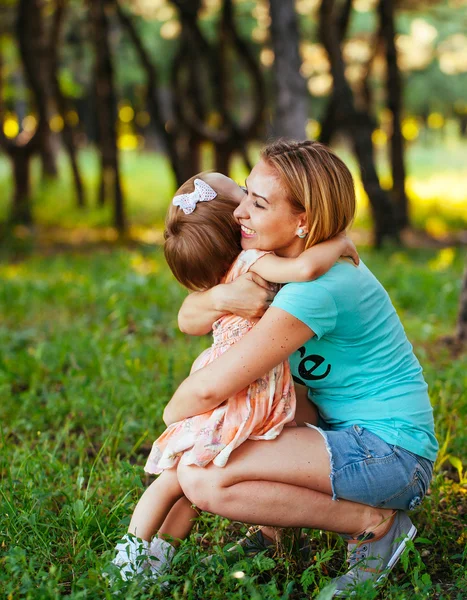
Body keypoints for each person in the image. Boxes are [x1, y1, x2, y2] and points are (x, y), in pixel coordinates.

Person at [162, 140, 438, 597]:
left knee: (203, 473)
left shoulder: (314, 290)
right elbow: (189, 315)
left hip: (393, 455)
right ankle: (271, 541)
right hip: (347, 435)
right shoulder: (283, 269)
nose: (238, 213)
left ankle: (375, 526)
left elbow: (212, 389)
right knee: (252, 419)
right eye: (245, 193)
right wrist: (221, 298)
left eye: (258, 202)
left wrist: (174, 417)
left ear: (303, 220)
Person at [111, 170, 358, 582]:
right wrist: (340, 242)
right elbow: (306, 269)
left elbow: (190, 317)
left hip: (230, 376)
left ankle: (149, 558)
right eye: (243, 195)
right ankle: (133, 560)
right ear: (238, 222)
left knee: (179, 481)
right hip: (244, 386)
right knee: (179, 479)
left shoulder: (222, 271)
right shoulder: (254, 262)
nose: (249, 201)